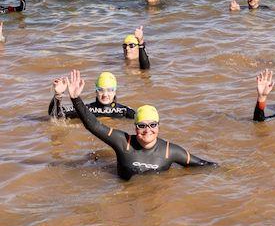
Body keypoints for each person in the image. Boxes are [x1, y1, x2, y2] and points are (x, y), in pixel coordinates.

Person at [60, 70, 215, 180]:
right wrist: (75, 99)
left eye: (152, 125)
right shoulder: (124, 143)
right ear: (135, 128)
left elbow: (203, 165)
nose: (147, 130)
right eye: (142, 125)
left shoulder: (170, 151)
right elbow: (93, 125)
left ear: (158, 127)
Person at [49, 71, 135, 120]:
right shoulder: (86, 109)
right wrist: (58, 95)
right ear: (96, 91)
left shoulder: (123, 111)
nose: (105, 95)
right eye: (101, 90)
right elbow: (55, 116)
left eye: (109, 90)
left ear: (115, 91)